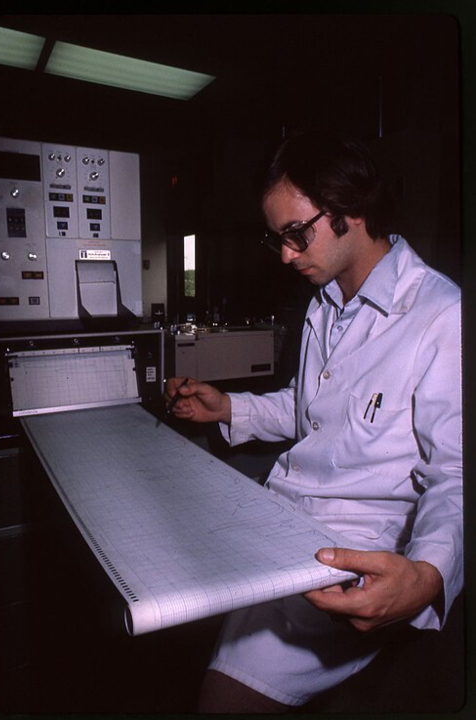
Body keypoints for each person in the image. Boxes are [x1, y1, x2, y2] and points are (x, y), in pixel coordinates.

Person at [165, 132, 463, 712]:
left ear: (353, 208)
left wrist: (428, 574)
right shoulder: (324, 304)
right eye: (276, 238)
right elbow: (313, 409)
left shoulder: (440, 316)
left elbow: (456, 472)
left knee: (222, 699)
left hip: (353, 549)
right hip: (284, 517)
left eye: (296, 234)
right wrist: (228, 407)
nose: (285, 254)